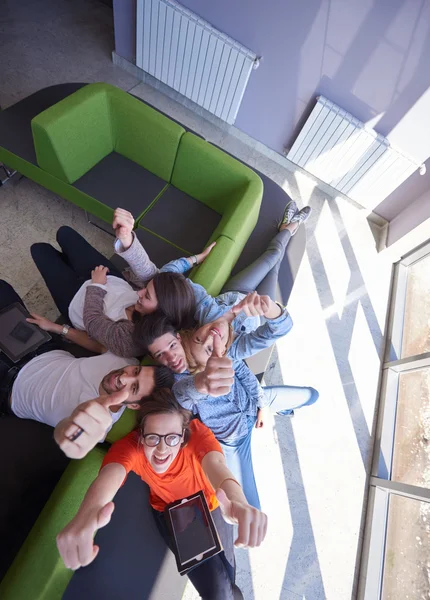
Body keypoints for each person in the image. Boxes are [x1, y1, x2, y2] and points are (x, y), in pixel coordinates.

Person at [56, 389, 267, 600]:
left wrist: (237, 499)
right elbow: (109, 475)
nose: (162, 449)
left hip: (211, 504)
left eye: (172, 438)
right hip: (176, 513)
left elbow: (217, 465)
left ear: (183, 435)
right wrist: (87, 513)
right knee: (218, 592)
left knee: (228, 580)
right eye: (153, 438)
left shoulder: (197, 435)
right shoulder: (132, 447)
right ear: (141, 435)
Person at [31, 200, 310, 358]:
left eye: (146, 296)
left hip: (89, 297)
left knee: (40, 252)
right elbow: (156, 274)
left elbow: (95, 321)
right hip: (240, 298)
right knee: (272, 269)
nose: (138, 292)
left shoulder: (137, 337)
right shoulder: (199, 309)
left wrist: (95, 287)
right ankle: (289, 229)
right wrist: (195, 259)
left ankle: (289, 227)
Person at [137, 309, 319, 510]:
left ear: (179, 338)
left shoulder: (204, 343)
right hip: (234, 439)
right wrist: (203, 382)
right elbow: (187, 393)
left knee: (312, 395)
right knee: (249, 505)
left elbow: (242, 371)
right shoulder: (175, 387)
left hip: (254, 404)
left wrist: (263, 405)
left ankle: (277, 409)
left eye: (171, 346)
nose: (170, 357)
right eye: (160, 355)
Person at [0, 280, 173, 457]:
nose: (124, 378)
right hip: (40, 348)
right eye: (136, 372)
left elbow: (67, 430)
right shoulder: (126, 363)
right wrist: (57, 328)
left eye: (134, 387)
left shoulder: (96, 422)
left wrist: (74, 431)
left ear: (135, 405)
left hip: (7, 386)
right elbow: (99, 347)